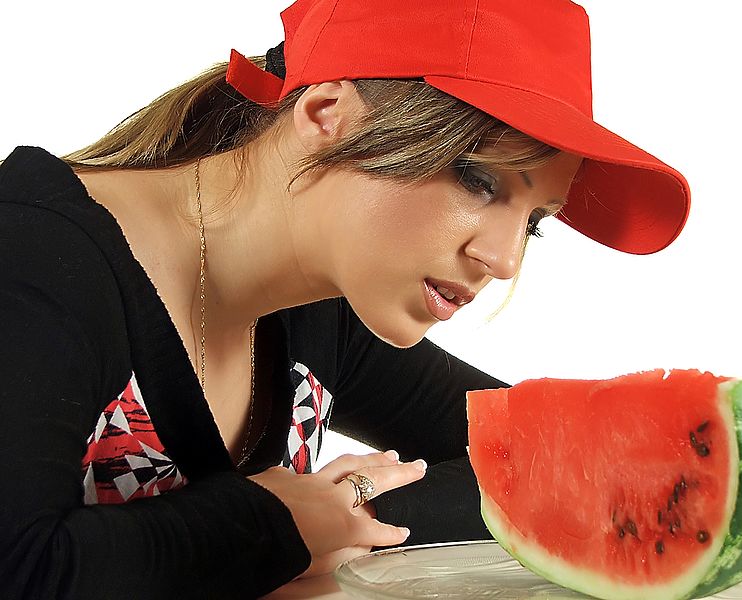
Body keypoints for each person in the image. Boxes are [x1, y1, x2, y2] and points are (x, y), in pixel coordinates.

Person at [0, 0, 690, 597]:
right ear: (328, 113)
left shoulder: (317, 306)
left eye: (535, 222)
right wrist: (274, 527)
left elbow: (564, 469)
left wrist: (337, 513)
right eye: (479, 181)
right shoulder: (34, 258)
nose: (504, 260)